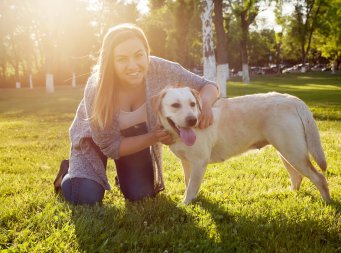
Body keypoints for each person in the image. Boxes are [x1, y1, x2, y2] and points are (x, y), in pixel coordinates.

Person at [53, 23, 219, 205]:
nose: (133, 65)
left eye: (139, 55)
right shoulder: (97, 86)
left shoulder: (162, 69)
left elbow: (207, 85)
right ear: (110, 61)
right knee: (86, 197)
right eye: (122, 59)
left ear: (147, 52)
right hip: (94, 138)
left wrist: (205, 105)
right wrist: (153, 137)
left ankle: (123, 176)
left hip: (133, 137)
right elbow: (109, 145)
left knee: (142, 195)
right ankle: (67, 172)